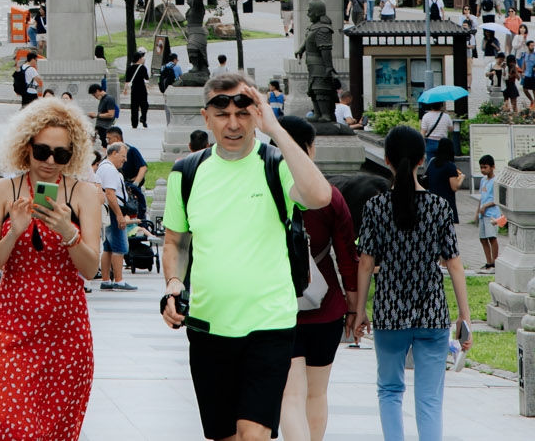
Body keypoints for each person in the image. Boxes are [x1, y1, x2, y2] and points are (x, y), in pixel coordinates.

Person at [160, 72, 335, 441]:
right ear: (206, 117)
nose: (233, 123)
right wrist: (173, 283)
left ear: (255, 115)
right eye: (222, 114)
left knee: (253, 435)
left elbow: (320, 196)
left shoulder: (276, 164)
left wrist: (276, 129)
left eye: (243, 112)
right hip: (208, 326)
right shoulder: (187, 174)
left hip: (269, 324)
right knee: (226, 436)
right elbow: (176, 241)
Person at [0, 96, 104, 441]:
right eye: (42, 152)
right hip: (12, 324)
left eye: (62, 154)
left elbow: (90, 269)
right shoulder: (2, 190)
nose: (51, 162)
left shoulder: (86, 193)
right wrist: (16, 232)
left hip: (66, 335)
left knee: (51, 432)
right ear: (26, 148)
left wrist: (69, 233)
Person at [354, 126, 472, 441]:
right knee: (430, 397)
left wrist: (360, 310)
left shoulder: (376, 207)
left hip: (389, 313)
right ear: (422, 159)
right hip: (432, 313)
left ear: (386, 159)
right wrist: (464, 315)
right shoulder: (439, 207)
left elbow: (366, 263)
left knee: (390, 389)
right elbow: (455, 263)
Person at [277, 117, 359, 441]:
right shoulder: (329, 196)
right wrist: (354, 306)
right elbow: (347, 257)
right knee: (317, 393)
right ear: (310, 148)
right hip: (326, 306)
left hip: (279, 307)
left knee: (291, 395)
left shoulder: (267, 192)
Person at [94, 143, 132, 290]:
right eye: (123, 156)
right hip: (114, 211)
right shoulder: (109, 170)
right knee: (119, 247)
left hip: (109, 212)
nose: (125, 160)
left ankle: (106, 280)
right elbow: (110, 194)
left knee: (108, 248)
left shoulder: (104, 166)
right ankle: (119, 280)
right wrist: (119, 215)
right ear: (114, 153)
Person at [473, 154, 501, 271]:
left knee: (492, 238)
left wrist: (486, 206)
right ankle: (488, 262)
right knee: (483, 238)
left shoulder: (496, 181)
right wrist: (477, 212)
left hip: (492, 214)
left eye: (485, 167)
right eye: (481, 167)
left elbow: (497, 199)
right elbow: (482, 197)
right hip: (483, 214)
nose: (483, 170)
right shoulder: (483, 181)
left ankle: (495, 262)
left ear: (492, 167)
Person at [422, 136, 462, 204]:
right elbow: (454, 187)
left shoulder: (432, 162)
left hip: (433, 200)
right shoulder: (450, 166)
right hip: (447, 202)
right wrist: (461, 178)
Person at [124, 52, 151, 129]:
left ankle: (134, 123)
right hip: (142, 89)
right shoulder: (142, 68)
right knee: (144, 105)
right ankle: (144, 119)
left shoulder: (130, 68)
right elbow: (146, 78)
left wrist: (125, 89)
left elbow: (127, 80)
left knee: (134, 106)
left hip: (134, 89)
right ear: (139, 59)